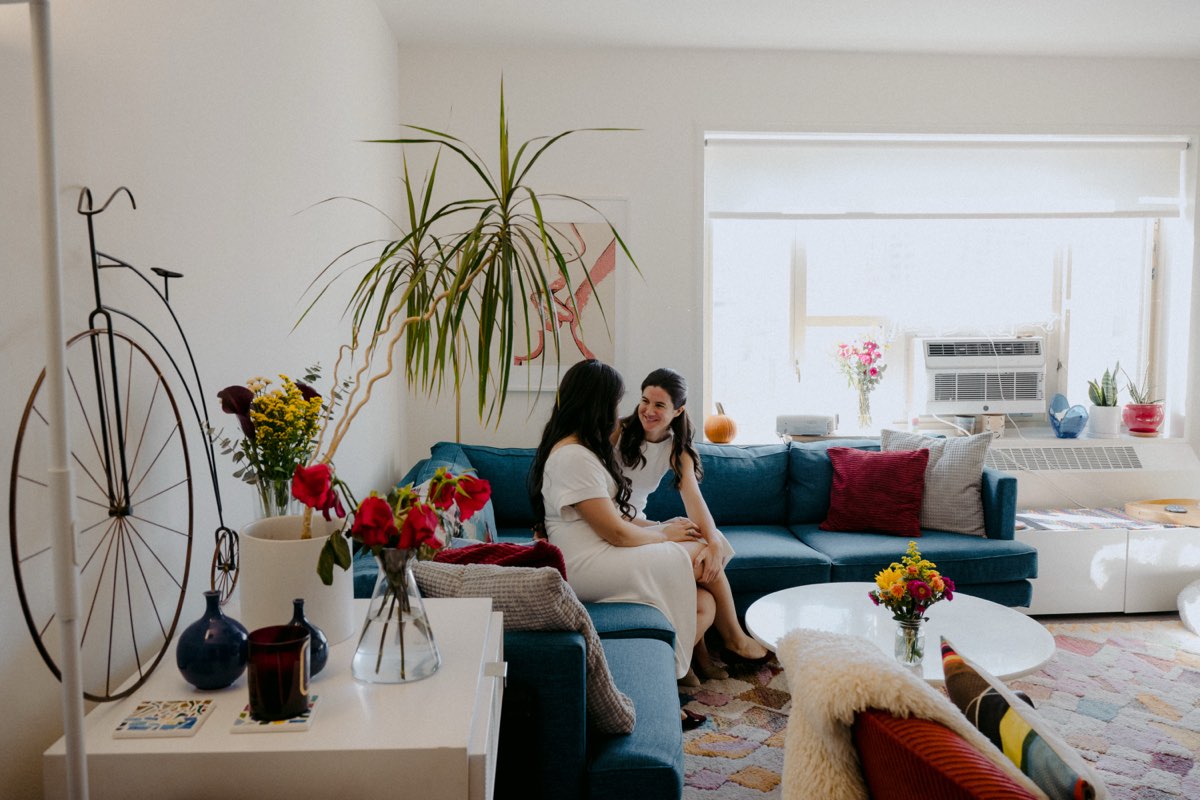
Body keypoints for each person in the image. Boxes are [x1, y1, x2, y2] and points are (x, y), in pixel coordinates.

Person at [528, 360, 709, 689]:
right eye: (614, 402)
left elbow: (614, 523)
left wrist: (660, 531)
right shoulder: (573, 456)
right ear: (597, 405)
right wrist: (663, 533)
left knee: (704, 602)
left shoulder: (582, 449)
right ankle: (674, 671)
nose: (618, 411)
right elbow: (615, 532)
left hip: (601, 551)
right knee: (697, 551)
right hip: (587, 564)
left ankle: (673, 670)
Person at [617, 367, 770, 684]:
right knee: (698, 547)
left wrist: (713, 543)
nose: (648, 410)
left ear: (678, 410)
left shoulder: (677, 448)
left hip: (640, 522)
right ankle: (733, 638)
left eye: (659, 405)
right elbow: (604, 505)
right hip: (617, 525)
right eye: (645, 401)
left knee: (705, 590)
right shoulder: (617, 432)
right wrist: (672, 532)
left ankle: (693, 658)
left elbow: (694, 500)